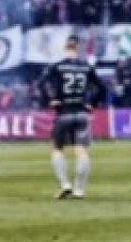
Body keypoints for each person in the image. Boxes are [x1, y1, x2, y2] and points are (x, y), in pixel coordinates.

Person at [36, 35, 109, 199]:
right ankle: (79, 189)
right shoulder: (86, 67)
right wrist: (93, 103)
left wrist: (50, 99)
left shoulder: (57, 67)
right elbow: (102, 88)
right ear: (78, 48)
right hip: (82, 113)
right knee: (82, 150)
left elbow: (40, 83)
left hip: (63, 112)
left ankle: (65, 184)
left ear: (65, 47)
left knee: (56, 148)